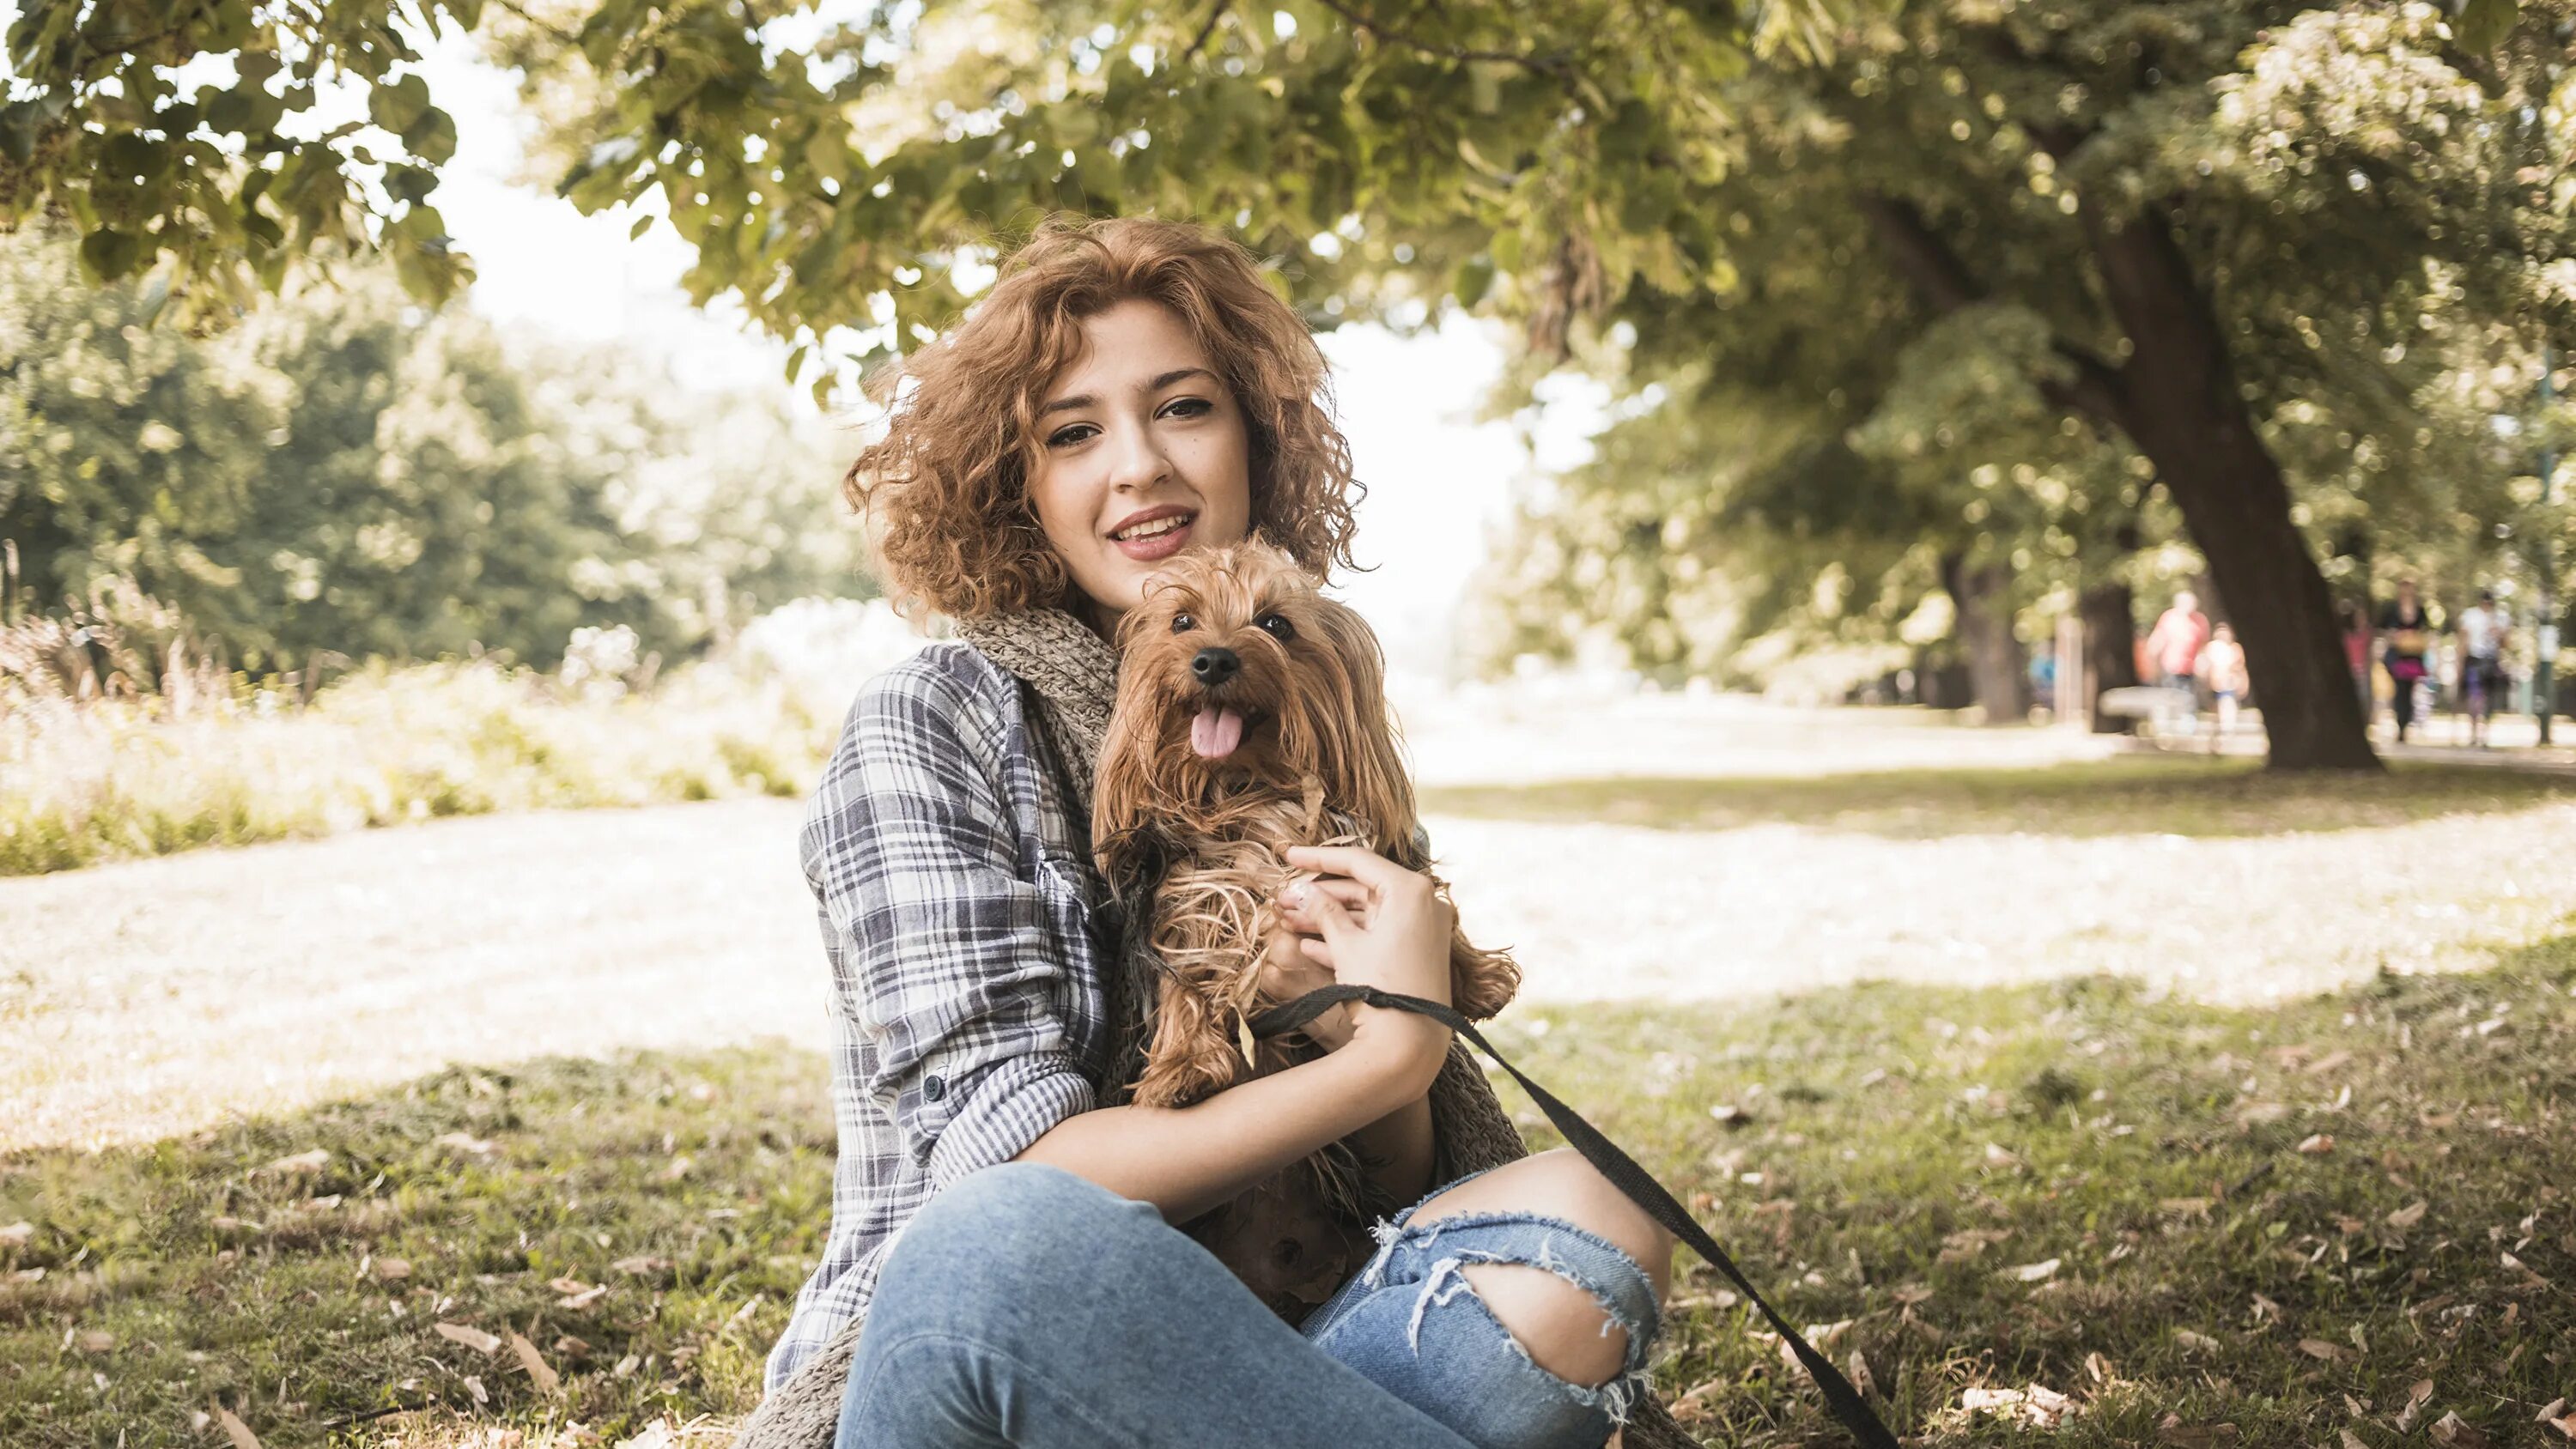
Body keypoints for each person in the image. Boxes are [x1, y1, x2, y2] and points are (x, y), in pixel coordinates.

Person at [759, 217, 1679, 1449]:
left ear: (1256, 436)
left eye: (1182, 408)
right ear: (1016, 486)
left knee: (1589, 1212)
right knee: (1009, 1237)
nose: (1137, 466)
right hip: (990, 1355)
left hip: (1257, 1371)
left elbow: (1400, 1199)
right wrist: (1384, 1062)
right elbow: (1011, 1171)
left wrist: (1368, 1019)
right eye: (1073, 432)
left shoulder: (1297, 713)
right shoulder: (934, 719)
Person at [2378, 579, 2435, 743]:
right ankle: (2400, 724)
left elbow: (2427, 631)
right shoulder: (2391, 609)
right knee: (2399, 690)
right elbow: (2382, 630)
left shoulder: (2420, 610)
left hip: (2413, 656)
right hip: (2397, 656)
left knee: (2410, 691)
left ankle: (2406, 723)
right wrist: (2394, 636)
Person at [2457, 588, 2506, 747]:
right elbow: (2464, 640)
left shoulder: (2501, 618)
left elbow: (2506, 644)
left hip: (2491, 660)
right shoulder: (2471, 616)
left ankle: (2485, 734)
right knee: (2474, 696)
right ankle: (2473, 733)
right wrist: (2460, 662)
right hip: (2474, 660)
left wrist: (2499, 634)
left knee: (2489, 698)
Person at [2146, 590, 2211, 694]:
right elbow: (2157, 640)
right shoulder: (2169, 618)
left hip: (2190, 669)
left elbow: (2203, 646)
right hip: (2171, 668)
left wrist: (2203, 664)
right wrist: (2153, 665)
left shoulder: (2200, 620)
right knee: (2172, 698)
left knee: (2188, 699)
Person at [2196, 622, 2249, 741]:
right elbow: (2202, 665)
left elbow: (2240, 667)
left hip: (2228, 683)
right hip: (2214, 683)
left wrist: (2243, 682)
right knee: (2214, 709)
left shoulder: (2235, 649)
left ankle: (2227, 730)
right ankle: (2216, 734)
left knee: (2227, 704)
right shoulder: (2211, 648)